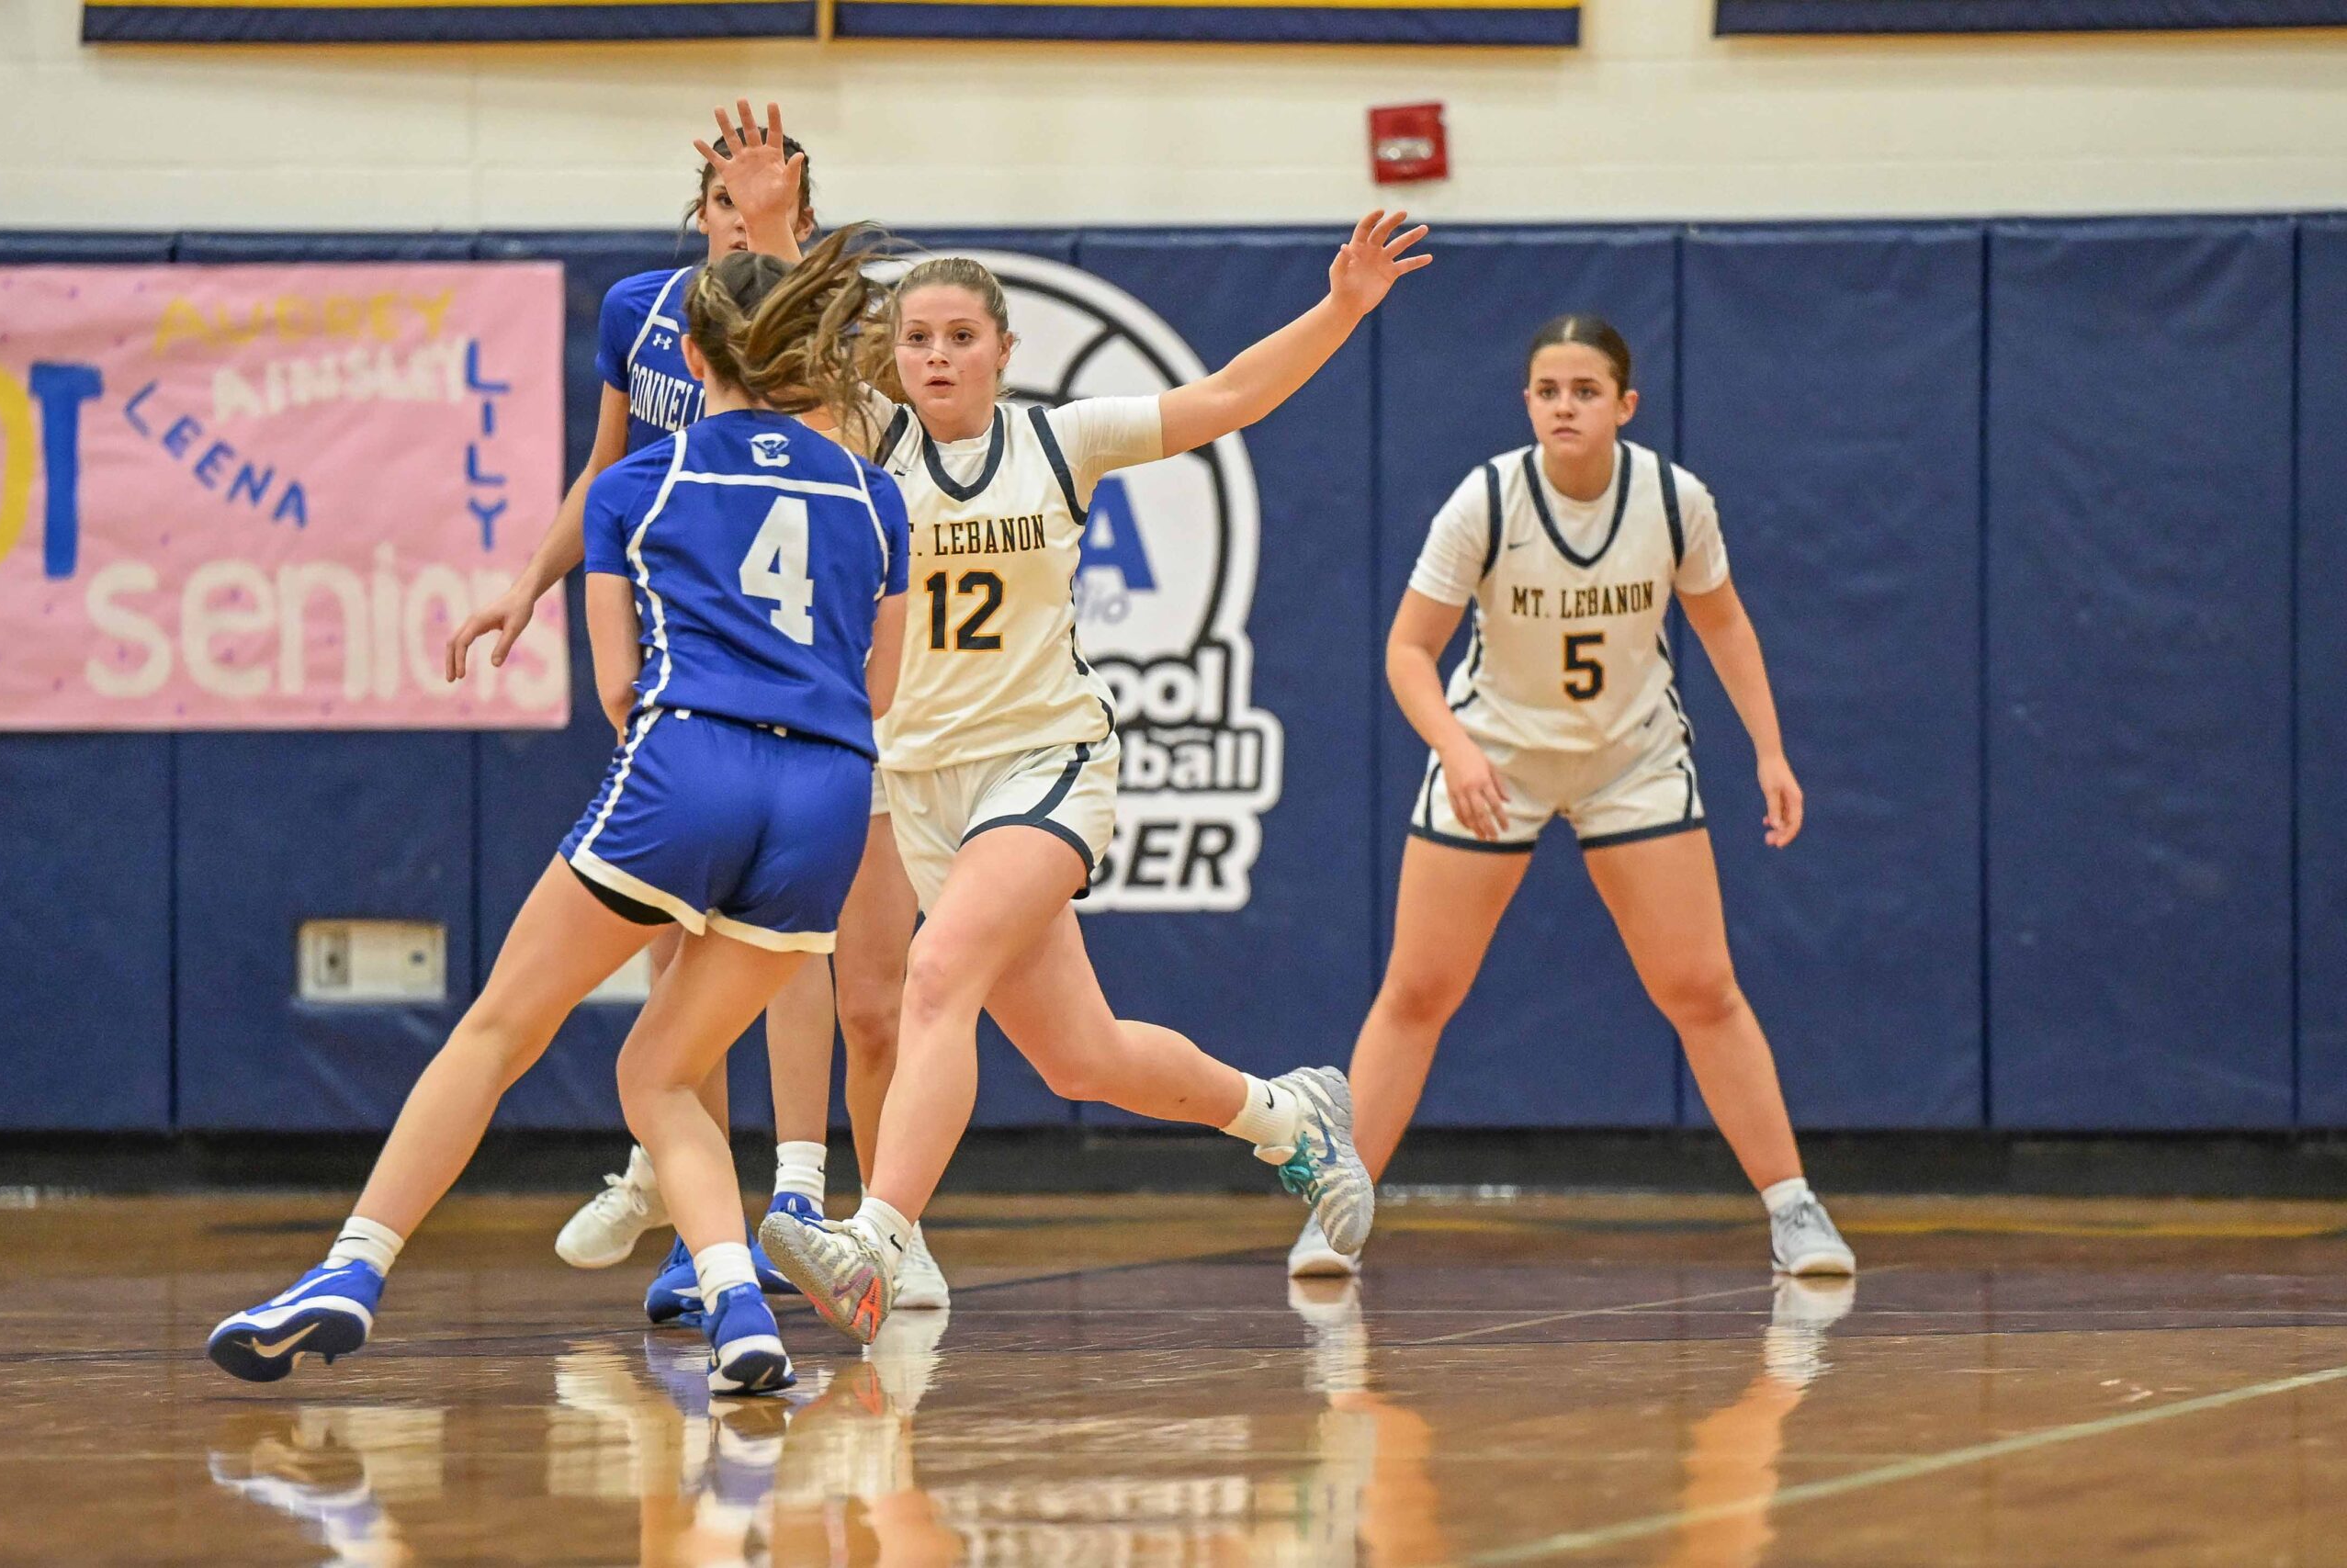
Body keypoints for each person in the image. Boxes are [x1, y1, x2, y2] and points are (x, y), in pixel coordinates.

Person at [209, 236, 910, 1399]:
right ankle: (739, 1307)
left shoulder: (639, 482)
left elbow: (621, 688)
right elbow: (878, 689)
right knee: (662, 1072)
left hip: (691, 763)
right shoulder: (875, 495)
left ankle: (350, 1270)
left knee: (499, 1029)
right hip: (828, 795)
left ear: (692, 357)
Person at [759, 212, 1433, 1345]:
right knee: (1084, 1057)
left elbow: (1229, 398)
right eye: (917, 337)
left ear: (1003, 349)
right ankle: (1287, 1117)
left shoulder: (1059, 440)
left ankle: (877, 1241)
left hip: (1047, 762)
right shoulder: (868, 439)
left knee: (936, 974)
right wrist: (774, 234)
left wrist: (1339, 307)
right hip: (923, 783)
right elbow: (781, 348)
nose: (936, 355)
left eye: (960, 336)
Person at [446, 105, 944, 1318]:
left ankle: (797, 1195)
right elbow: (604, 473)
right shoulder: (640, 313)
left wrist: (779, 231)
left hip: (803, 659)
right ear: (697, 213)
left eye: (762, 203)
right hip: (684, 649)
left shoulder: (831, 327)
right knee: (678, 945)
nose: (737, 220)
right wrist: (529, 583)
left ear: (797, 215)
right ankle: (686, 1210)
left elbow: (834, 427)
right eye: (722, 201)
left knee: (796, 951)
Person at [1284, 314, 1856, 1281]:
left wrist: (1770, 750)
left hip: (1632, 761)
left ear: (1625, 405)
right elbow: (1408, 651)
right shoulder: (1486, 500)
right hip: (1495, 760)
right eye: (1548, 391)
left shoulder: (1673, 500)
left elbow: (1724, 626)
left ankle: (1793, 1208)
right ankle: (1335, 1213)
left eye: (1585, 391)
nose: (1564, 407)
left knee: (1701, 988)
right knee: (1417, 990)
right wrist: (1455, 749)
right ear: (1526, 403)